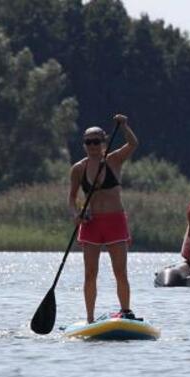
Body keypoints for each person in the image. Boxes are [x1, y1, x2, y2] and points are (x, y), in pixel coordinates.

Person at [68, 114, 139, 323]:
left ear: (103, 142)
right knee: (90, 274)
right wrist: (75, 215)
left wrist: (124, 125)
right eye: (88, 142)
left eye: (96, 141)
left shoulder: (114, 159)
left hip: (115, 221)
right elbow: (71, 198)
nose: (92, 145)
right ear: (84, 145)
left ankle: (126, 311)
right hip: (91, 224)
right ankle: (90, 318)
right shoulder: (78, 169)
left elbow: (133, 143)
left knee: (120, 272)